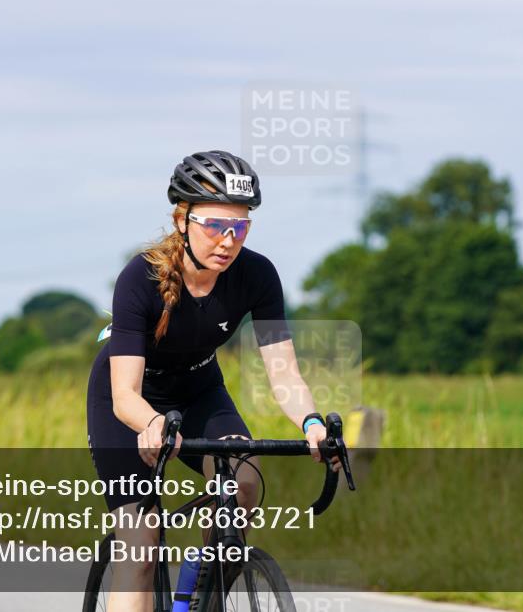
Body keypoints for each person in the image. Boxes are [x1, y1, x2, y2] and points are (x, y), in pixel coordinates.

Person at [86, 149, 337, 611]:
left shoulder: (257, 275)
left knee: (243, 482)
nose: (227, 240)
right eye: (215, 225)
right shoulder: (139, 278)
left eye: (240, 227)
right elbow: (124, 394)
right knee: (140, 545)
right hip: (129, 402)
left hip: (199, 389)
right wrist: (153, 423)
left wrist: (313, 425)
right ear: (182, 219)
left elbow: (283, 372)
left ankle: (200, 594)